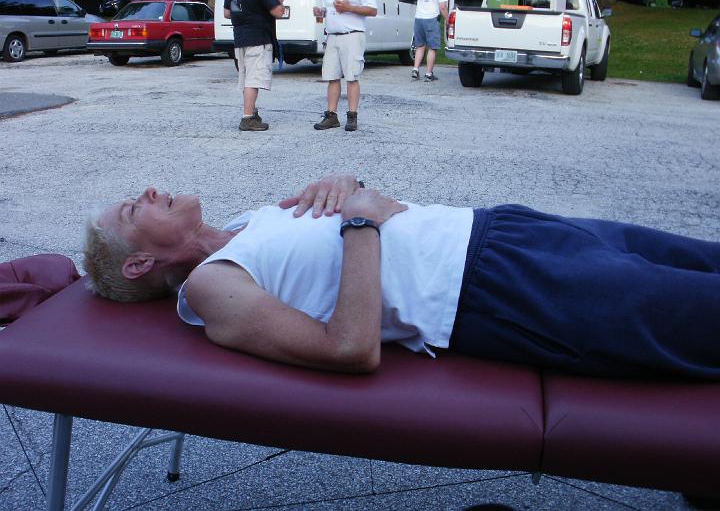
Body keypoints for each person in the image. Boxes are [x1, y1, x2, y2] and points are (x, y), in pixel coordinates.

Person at [84, 174, 720, 380]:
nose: (150, 190)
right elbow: (349, 349)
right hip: (496, 290)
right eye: (134, 208)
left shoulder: (245, 223)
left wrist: (345, 186)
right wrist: (360, 222)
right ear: (140, 263)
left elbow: (355, 218)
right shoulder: (209, 286)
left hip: (501, 228)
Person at [312, 0, 377, 132]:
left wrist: (349, 8)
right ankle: (331, 115)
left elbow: (373, 10)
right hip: (332, 35)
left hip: (352, 35)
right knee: (332, 76)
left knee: (351, 76)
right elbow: (329, 9)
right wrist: (321, 12)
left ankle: (352, 116)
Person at [224, 0, 286, 131]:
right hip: (258, 39)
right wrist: (279, 0)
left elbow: (227, 13)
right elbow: (278, 12)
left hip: (240, 39)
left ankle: (251, 112)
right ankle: (248, 119)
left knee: (246, 79)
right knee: (254, 80)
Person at [412, 0, 449, 82]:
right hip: (431, 18)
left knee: (420, 46)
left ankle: (415, 70)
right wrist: (448, 19)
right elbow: (442, 7)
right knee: (432, 47)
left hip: (418, 18)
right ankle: (428, 74)